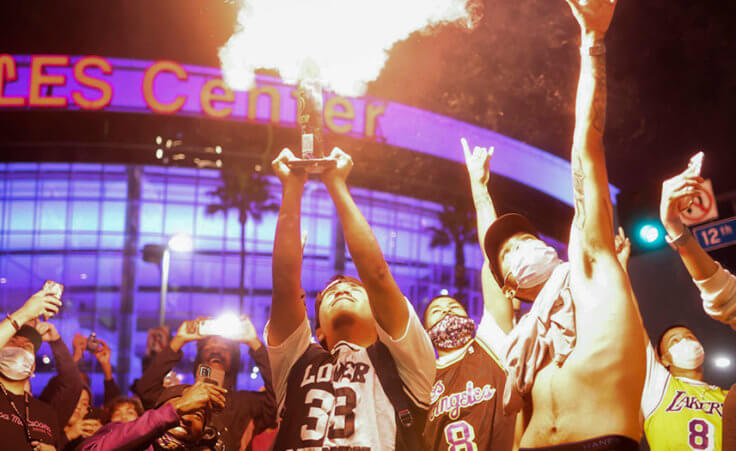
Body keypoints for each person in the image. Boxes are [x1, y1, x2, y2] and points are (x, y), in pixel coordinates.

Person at [479, 0, 647, 448]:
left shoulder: (591, 268)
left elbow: (586, 148)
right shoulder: (525, 344)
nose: (522, 248)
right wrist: (480, 191)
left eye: (525, 239)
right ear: (509, 286)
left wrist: (592, 44)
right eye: (509, 252)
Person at [266, 146, 435, 450]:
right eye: (328, 293)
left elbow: (378, 276)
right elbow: (284, 284)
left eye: (356, 288)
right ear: (317, 332)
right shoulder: (295, 361)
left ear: (379, 316)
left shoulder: (404, 361)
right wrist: (292, 186)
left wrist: (336, 183)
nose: (341, 289)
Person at [421, 141, 515, 450]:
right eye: (436, 311)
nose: (447, 309)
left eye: (454, 306)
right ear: (425, 333)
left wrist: (480, 192)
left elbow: (492, 262)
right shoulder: (420, 377)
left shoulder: (491, 342)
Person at [658, 161, 736, 448]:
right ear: (662, 359)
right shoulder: (657, 388)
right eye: (675, 341)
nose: (686, 343)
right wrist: (675, 228)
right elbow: (722, 293)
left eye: (688, 337)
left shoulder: (726, 396)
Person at [133, 316, 276, 450]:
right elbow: (146, 389)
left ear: (233, 360)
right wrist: (179, 340)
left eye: (224, 349)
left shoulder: (246, 403)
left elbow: (279, 395)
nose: (216, 352)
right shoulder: (181, 395)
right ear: (199, 361)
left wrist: (254, 343)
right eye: (209, 349)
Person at [0, 288, 74, 450]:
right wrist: (24, 314)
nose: (19, 349)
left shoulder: (46, 412)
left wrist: (56, 342)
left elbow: (73, 384)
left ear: (32, 366)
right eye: (12, 343)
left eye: (26, 347)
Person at [80, 381, 227, 450]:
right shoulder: (125, 436)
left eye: (197, 415)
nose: (186, 418)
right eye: (182, 409)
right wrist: (175, 409)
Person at [73, 334, 121, 405]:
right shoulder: (60, 412)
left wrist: (106, 365)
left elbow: (114, 404)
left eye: (83, 384)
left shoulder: (93, 414)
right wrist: (76, 358)